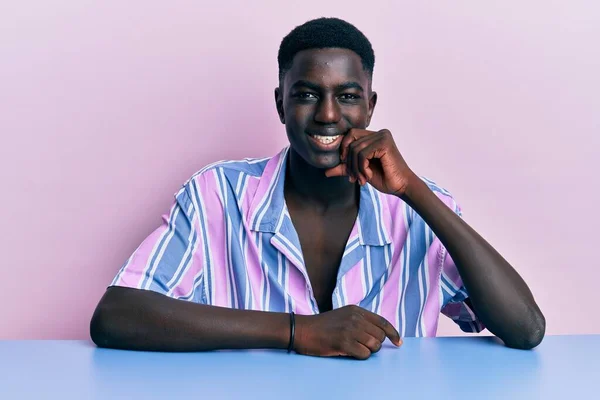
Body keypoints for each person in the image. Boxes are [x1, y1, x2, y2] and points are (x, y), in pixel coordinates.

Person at [90, 17, 545, 359]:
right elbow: (115, 316)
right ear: (280, 104)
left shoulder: (418, 210)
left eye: (347, 96)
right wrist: (298, 331)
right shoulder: (216, 194)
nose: (328, 114)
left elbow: (525, 329)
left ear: (370, 107)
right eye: (306, 94)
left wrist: (412, 191)